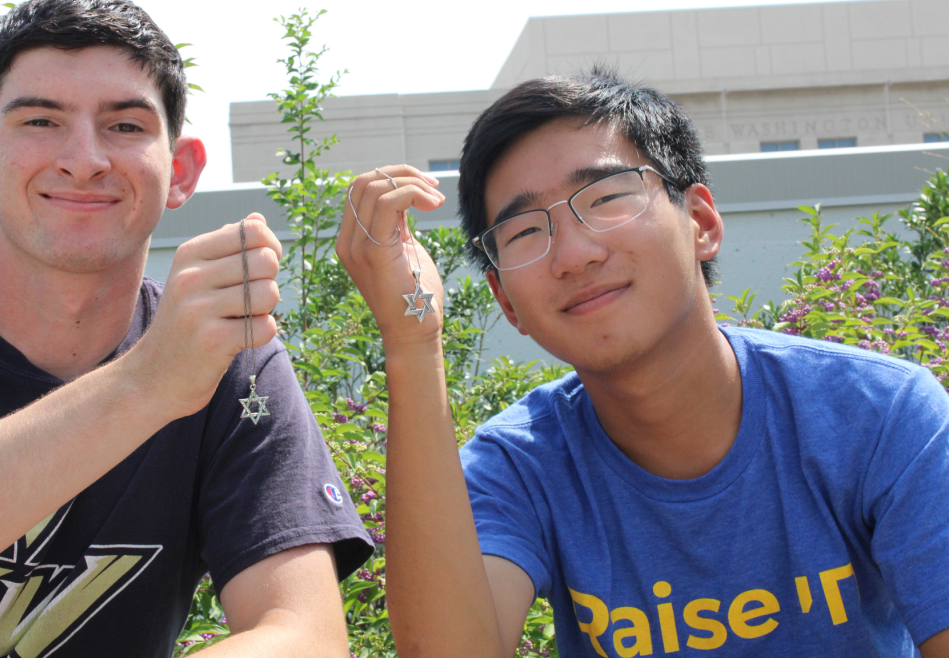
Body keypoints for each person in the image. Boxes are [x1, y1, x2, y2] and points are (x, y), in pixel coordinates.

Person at [0, 0, 371, 655]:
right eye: (40, 119)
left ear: (180, 170)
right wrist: (147, 383)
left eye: (124, 125)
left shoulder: (232, 363)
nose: (84, 159)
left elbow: (306, 634)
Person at [337, 70, 949, 657]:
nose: (573, 255)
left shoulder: (880, 416)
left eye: (605, 198)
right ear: (507, 304)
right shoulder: (518, 466)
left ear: (701, 223)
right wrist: (412, 342)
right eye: (524, 232)